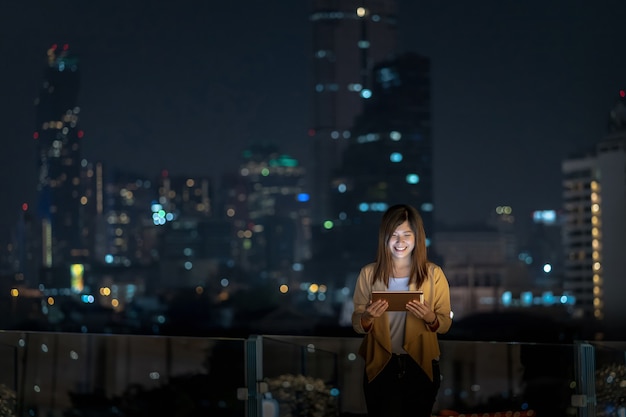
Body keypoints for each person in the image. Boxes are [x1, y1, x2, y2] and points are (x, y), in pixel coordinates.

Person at [352, 204, 452, 417]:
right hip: (380, 365)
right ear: (384, 237)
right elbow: (357, 323)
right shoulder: (369, 274)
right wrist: (368, 316)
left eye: (407, 234)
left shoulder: (433, 274)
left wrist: (429, 317)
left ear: (417, 237)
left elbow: (444, 324)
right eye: (394, 235)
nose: (400, 242)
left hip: (421, 363)